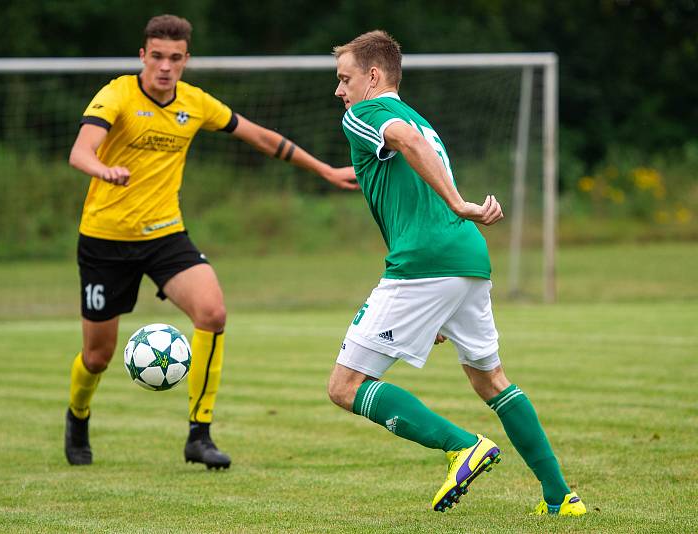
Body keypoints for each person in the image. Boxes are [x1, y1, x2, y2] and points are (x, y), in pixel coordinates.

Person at [64, 14, 357, 470]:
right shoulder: (117, 94)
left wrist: (324, 170)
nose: (165, 67)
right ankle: (78, 416)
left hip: (165, 234)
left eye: (175, 58)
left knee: (213, 312)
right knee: (97, 356)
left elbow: (258, 136)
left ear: (186, 60)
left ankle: (199, 435)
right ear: (143, 56)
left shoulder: (194, 103)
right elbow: (81, 150)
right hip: (105, 239)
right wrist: (103, 169)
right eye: (157, 56)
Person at [328, 30, 586, 516]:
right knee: (491, 381)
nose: (340, 91)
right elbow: (411, 152)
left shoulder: (365, 114)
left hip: (425, 262)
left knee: (344, 386)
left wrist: (457, 201)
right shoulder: (422, 121)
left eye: (345, 79)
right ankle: (561, 497)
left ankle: (461, 447)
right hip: (467, 259)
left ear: (373, 76)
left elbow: (400, 144)